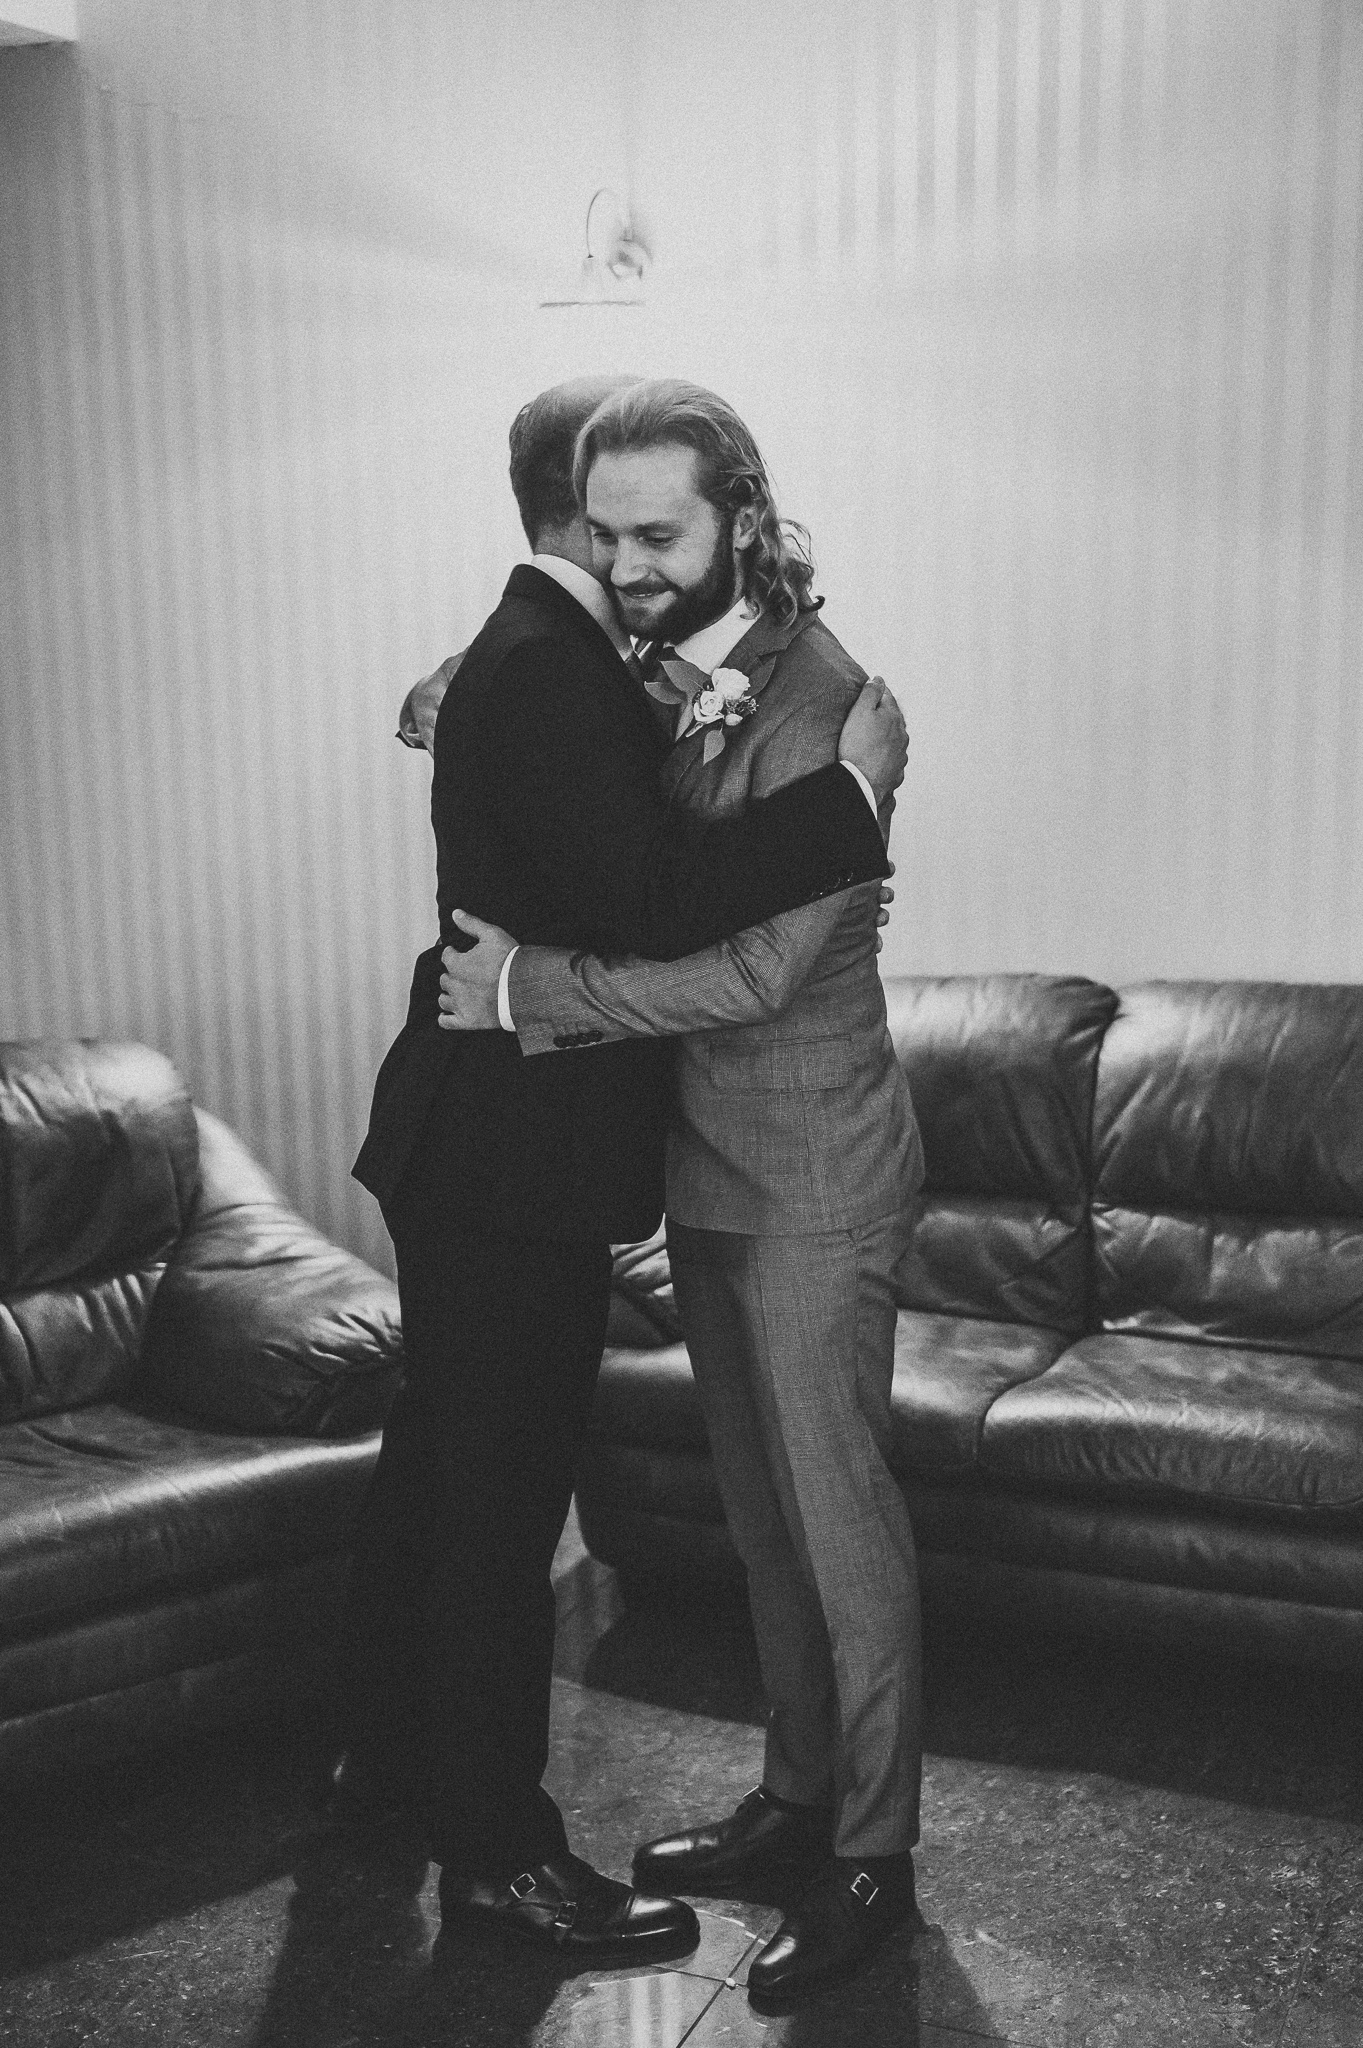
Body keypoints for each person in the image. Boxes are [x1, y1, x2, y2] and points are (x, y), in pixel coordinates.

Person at [345, 373, 910, 1967]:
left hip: (766, 1164)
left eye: (657, 532)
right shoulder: (585, 662)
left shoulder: (792, 690)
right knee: (619, 1517)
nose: (629, 562)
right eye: (609, 534)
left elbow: (745, 958)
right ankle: (638, 1826)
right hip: (604, 1160)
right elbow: (640, 856)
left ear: (738, 516)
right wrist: (469, 680)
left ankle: (864, 1850)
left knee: (813, 1528)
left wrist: (536, 986)